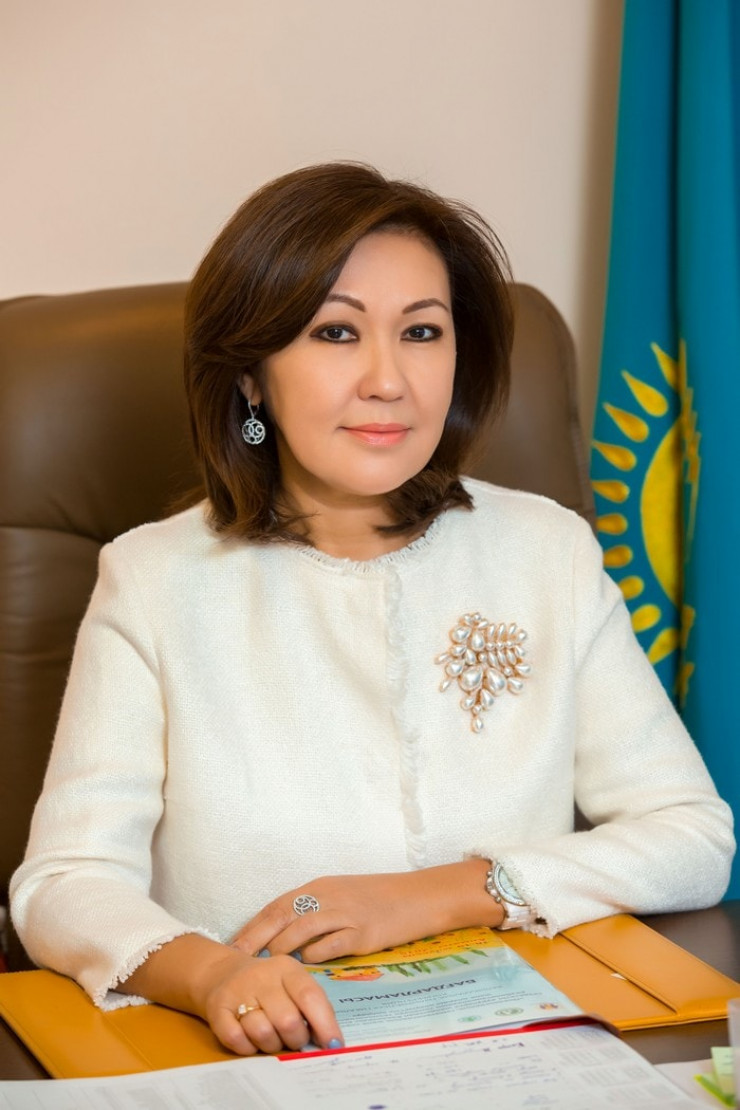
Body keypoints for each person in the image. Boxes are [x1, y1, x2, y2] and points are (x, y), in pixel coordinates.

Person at [10, 163, 734, 1058]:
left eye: (422, 332)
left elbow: (692, 837)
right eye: (336, 332)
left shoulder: (548, 550)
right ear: (251, 376)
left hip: (519, 1049)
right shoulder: (155, 579)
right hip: (262, 1058)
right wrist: (211, 975)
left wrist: (439, 895)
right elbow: (62, 881)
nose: (389, 380)